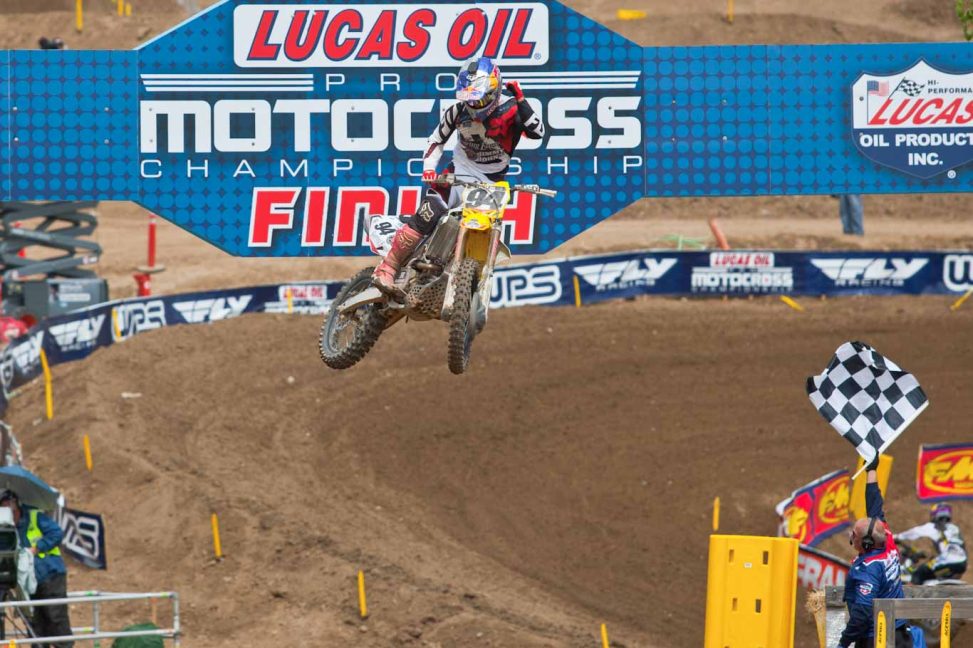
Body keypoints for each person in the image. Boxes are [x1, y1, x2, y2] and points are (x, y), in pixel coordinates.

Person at [371, 56, 545, 294]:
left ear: (494, 89)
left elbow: (538, 132)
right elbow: (436, 141)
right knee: (429, 213)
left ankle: (462, 277)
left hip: (491, 183)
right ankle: (387, 268)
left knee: (489, 226)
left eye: (480, 97)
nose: (475, 104)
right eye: (469, 98)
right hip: (457, 174)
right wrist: (429, 169)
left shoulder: (512, 109)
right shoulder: (457, 111)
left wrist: (522, 100)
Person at [839, 458, 913, 648]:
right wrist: (871, 470)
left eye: (854, 534)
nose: (851, 535)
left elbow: (863, 612)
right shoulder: (885, 537)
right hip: (900, 632)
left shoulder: (868, 570)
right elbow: (874, 503)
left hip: (877, 638)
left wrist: (844, 642)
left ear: (865, 542)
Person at [0, 490, 73, 647]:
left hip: (50, 574)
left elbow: (56, 533)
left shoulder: (34, 516)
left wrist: (36, 548)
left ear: (16, 504)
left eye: (8, 503)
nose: (6, 507)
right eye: (3, 505)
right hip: (27, 582)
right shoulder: (4, 526)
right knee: (35, 624)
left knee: (56, 619)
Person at [898, 503, 967, 584]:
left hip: (948, 560)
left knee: (920, 572)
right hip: (962, 563)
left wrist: (896, 537)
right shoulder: (955, 528)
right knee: (930, 571)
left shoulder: (934, 526)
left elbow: (914, 532)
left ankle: (911, 596)